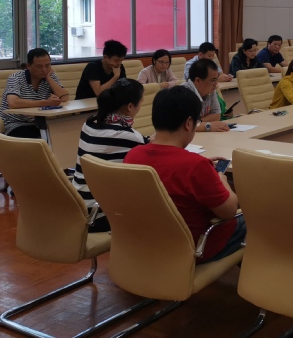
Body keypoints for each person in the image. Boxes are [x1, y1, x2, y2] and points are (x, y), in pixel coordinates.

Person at [125, 86, 246, 263]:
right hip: (195, 247)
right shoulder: (195, 166)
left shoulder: (132, 155)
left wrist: (203, 169)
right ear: (189, 123)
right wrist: (222, 180)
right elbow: (229, 211)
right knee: (255, 219)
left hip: (150, 243)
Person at [72, 79, 146, 232]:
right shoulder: (129, 136)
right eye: (141, 102)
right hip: (99, 214)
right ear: (130, 107)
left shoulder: (89, 123)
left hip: (77, 205)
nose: (142, 104)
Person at [0, 48, 69, 138]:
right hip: (15, 123)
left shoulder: (50, 76)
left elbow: (64, 97)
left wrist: (49, 78)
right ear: (28, 66)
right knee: (42, 138)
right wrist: (46, 103)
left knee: (65, 133)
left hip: (39, 123)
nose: (44, 70)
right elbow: (13, 103)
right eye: (39, 67)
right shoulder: (15, 78)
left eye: (47, 65)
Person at [184, 58, 230, 132]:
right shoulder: (184, 93)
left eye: (216, 80)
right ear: (198, 80)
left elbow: (216, 116)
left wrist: (197, 122)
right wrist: (207, 125)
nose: (216, 84)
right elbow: (184, 125)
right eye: (213, 80)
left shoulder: (210, 90)